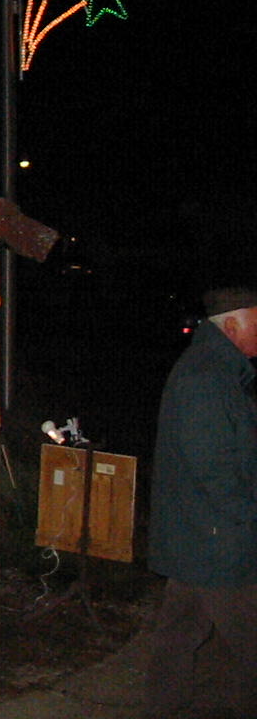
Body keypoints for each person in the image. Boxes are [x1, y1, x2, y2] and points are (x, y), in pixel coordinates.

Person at [144, 285, 257, 718]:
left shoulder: (220, 371)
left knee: (179, 633)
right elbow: (213, 467)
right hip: (218, 540)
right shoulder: (207, 378)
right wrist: (248, 514)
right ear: (231, 325)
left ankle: (161, 708)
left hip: (200, 534)